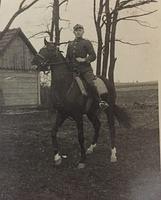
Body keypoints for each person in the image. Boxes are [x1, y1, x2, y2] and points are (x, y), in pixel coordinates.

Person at [66, 24, 106, 108]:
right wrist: (69, 65)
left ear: (83, 31)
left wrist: (84, 59)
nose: (78, 32)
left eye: (80, 30)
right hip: (73, 71)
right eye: (76, 31)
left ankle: (100, 102)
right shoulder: (70, 44)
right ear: (74, 32)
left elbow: (93, 56)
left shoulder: (86, 43)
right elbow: (67, 58)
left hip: (85, 70)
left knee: (90, 83)